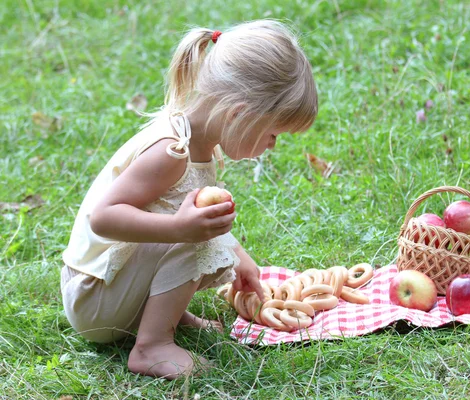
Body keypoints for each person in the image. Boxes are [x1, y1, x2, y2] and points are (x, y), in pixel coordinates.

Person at [60, 20, 318, 379]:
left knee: (194, 231)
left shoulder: (199, 145)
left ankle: (167, 318)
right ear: (238, 115)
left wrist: (240, 257)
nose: (273, 144)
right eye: (273, 133)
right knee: (191, 235)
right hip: (92, 297)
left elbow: (171, 211)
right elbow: (102, 218)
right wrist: (182, 228)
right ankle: (152, 346)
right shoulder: (170, 151)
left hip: (111, 291)